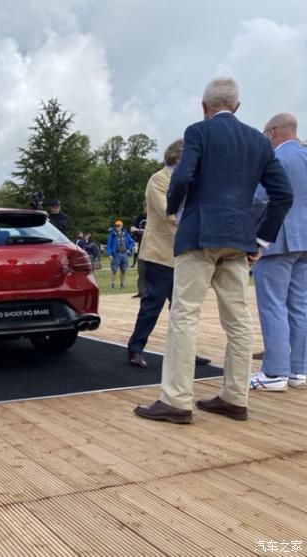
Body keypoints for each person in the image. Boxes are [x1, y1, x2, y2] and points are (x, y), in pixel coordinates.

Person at [135, 77, 293, 424]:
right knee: (238, 320)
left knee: (185, 315)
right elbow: (283, 195)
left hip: (200, 235)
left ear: (204, 106)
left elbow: (182, 177)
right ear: (237, 106)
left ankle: (176, 400)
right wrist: (261, 240)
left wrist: (175, 209)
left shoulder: (198, 132)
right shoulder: (258, 141)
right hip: (239, 240)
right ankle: (235, 397)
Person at [126, 139, 211, 369]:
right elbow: (167, 212)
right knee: (153, 303)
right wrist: (198, 221)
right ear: (178, 157)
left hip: (185, 252)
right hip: (160, 253)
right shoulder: (159, 179)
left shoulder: (192, 180)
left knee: (184, 307)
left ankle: (184, 351)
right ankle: (136, 348)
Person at [249, 113, 307, 391]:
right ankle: (298, 370)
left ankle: (274, 371)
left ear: (271, 132)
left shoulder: (276, 159)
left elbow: (259, 199)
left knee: (272, 304)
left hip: (278, 239)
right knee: (300, 306)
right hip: (304, 241)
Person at [106, 220, 134, 289]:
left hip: (124, 254)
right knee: (114, 270)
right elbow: (109, 245)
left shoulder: (125, 233)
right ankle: (112, 284)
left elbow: (131, 242)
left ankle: (122, 284)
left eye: (118, 225)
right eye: (116, 225)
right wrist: (109, 254)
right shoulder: (112, 234)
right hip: (116, 254)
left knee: (123, 270)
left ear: (122, 226)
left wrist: (129, 249)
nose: (117, 227)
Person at [130, 205, 147, 297]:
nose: (146, 208)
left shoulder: (155, 215)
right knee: (141, 270)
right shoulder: (141, 216)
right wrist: (140, 230)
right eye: (145, 206)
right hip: (141, 247)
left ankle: (150, 292)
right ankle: (141, 292)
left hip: (153, 247)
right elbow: (132, 228)